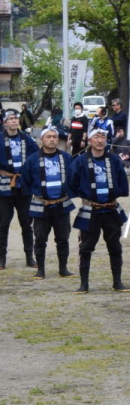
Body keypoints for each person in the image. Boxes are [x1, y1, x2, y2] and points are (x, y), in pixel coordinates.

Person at [69, 126, 130, 292]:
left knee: (115, 246)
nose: (99, 140)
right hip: (91, 209)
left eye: (103, 137)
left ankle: (117, 281)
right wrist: (83, 194)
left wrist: (118, 193)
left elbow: (121, 179)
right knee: (86, 248)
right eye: (96, 137)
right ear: (90, 140)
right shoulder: (81, 161)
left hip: (110, 208)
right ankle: (84, 284)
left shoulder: (113, 160)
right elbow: (71, 180)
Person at [20, 125, 74, 279]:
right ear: (41, 139)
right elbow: (25, 181)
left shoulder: (66, 158)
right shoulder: (32, 160)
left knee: (63, 238)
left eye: (54, 137)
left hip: (61, 204)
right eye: (48, 137)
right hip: (41, 205)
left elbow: (74, 177)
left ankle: (63, 268)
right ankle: (40, 269)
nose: (52, 140)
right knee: (40, 238)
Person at [0, 108, 39, 269]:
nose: (14, 121)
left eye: (16, 118)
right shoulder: (0, 139)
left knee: (26, 223)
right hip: (4, 185)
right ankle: (1, 258)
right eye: (11, 119)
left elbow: (37, 157)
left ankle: (30, 256)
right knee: (3, 224)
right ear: (5, 122)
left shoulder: (27, 139)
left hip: (23, 186)